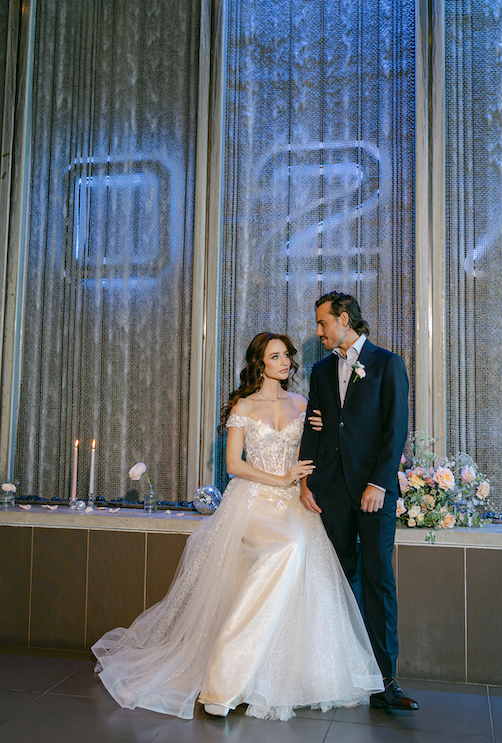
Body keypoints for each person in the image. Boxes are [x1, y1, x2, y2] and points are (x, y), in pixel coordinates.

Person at [92, 332, 383, 722]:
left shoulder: (303, 404)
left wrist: (308, 466)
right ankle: (224, 679)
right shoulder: (242, 406)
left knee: (297, 551)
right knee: (287, 550)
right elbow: (233, 464)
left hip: (293, 504)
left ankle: (256, 676)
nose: (285, 362)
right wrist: (279, 479)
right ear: (259, 363)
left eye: (287, 356)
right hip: (253, 503)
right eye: (275, 356)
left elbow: (315, 454)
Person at [300, 292, 418, 711]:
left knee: (378, 579)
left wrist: (379, 484)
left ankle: (386, 681)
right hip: (331, 491)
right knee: (337, 578)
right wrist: (305, 482)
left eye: (322, 323)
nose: (318, 331)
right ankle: (342, 669)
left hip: (373, 493)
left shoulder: (388, 365)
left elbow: (395, 431)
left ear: (343, 319)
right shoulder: (319, 371)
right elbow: (314, 428)